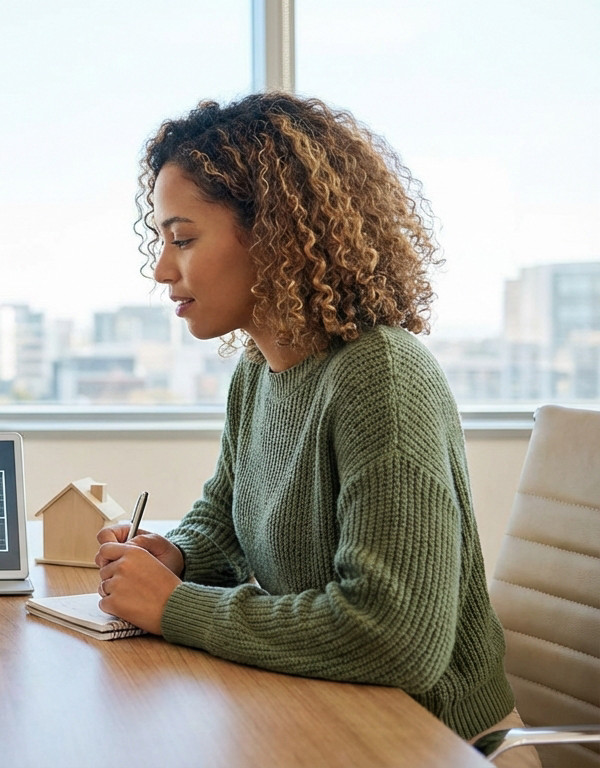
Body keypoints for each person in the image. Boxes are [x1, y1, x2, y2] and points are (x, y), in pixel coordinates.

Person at [95, 92, 527, 755]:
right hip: (324, 715)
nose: (161, 269)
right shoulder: (258, 371)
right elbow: (227, 516)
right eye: (160, 239)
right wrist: (176, 555)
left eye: (182, 239)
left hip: (435, 742)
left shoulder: (381, 377)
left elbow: (395, 639)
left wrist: (176, 606)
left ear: (274, 235)